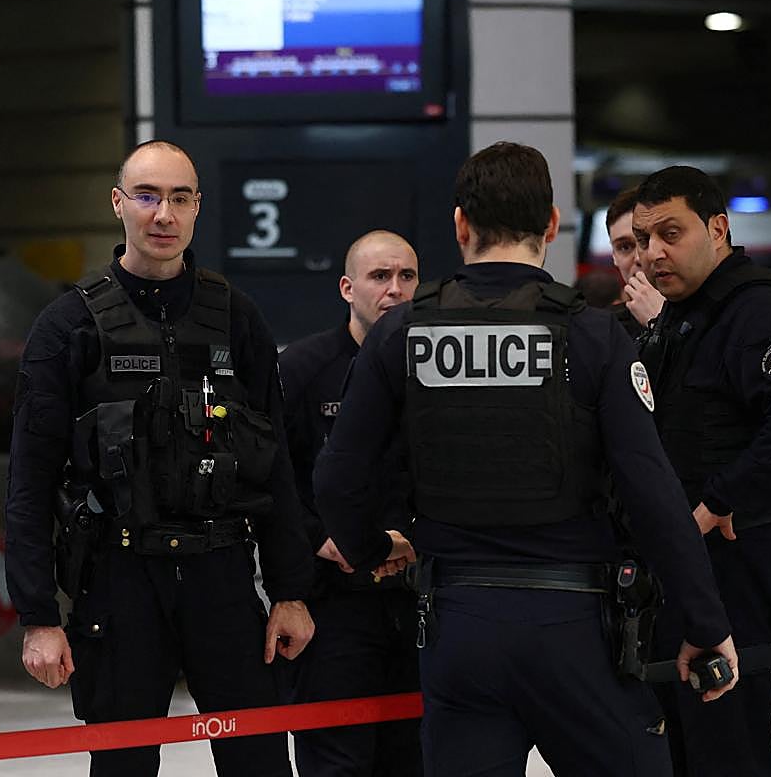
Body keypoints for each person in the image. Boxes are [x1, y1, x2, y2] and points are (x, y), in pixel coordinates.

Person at [313, 142, 738, 777]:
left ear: (460, 225)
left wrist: (375, 552)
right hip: (574, 629)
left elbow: (337, 478)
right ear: (551, 224)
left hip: (456, 627)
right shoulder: (594, 335)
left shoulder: (403, 334)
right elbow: (652, 494)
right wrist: (704, 620)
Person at [5, 140, 315, 777]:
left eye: (179, 198)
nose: (163, 215)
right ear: (119, 205)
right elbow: (29, 483)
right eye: (147, 197)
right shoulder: (68, 326)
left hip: (224, 576)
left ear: (198, 208)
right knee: (124, 768)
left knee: (259, 760)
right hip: (119, 583)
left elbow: (276, 464)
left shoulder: (237, 318)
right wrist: (38, 617)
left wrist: (290, 591)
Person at [631, 165, 771, 777]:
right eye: (644, 239)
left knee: (725, 741)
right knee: (680, 742)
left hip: (736, 553)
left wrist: (719, 501)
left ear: (717, 228)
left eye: (670, 233)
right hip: (685, 556)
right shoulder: (683, 315)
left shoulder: (756, 308)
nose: (653, 253)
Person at [279, 230, 422, 777]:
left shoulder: (437, 369)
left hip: (416, 601)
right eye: (379, 277)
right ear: (347, 287)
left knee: (415, 758)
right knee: (336, 761)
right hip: (335, 602)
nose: (394, 290)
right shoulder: (302, 368)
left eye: (406, 277)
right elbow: (275, 480)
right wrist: (321, 537)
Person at [606, 184, 664, 336]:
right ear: (614, 256)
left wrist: (659, 323)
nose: (639, 258)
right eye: (625, 247)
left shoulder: (714, 318)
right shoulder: (601, 330)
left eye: (646, 241)